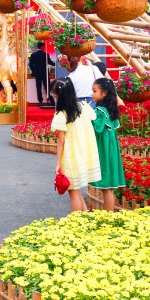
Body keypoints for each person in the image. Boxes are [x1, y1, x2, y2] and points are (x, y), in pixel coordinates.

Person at [51, 79, 101, 213]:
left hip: (70, 157)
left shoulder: (62, 114)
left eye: (54, 94)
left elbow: (61, 141)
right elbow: (93, 119)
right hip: (83, 154)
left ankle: (76, 222)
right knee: (76, 189)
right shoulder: (84, 107)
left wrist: (58, 163)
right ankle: (85, 216)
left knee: (73, 192)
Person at [91, 78, 125, 211]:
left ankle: (108, 216)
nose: (92, 94)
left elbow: (97, 129)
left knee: (106, 186)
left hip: (104, 148)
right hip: (110, 147)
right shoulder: (109, 110)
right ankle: (108, 215)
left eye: (95, 91)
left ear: (104, 93)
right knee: (108, 186)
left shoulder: (100, 111)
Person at [28, 42, 55, 106]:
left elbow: (30, 65)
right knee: (47, 87)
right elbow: (50, 63)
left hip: (37, 74)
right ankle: (51, 101)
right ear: (42, 47)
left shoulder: (33, 55)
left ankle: (40, 101)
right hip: (45, 73)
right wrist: (56, 63)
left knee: (38, 87)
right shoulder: (45, 54)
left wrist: (34, 71)